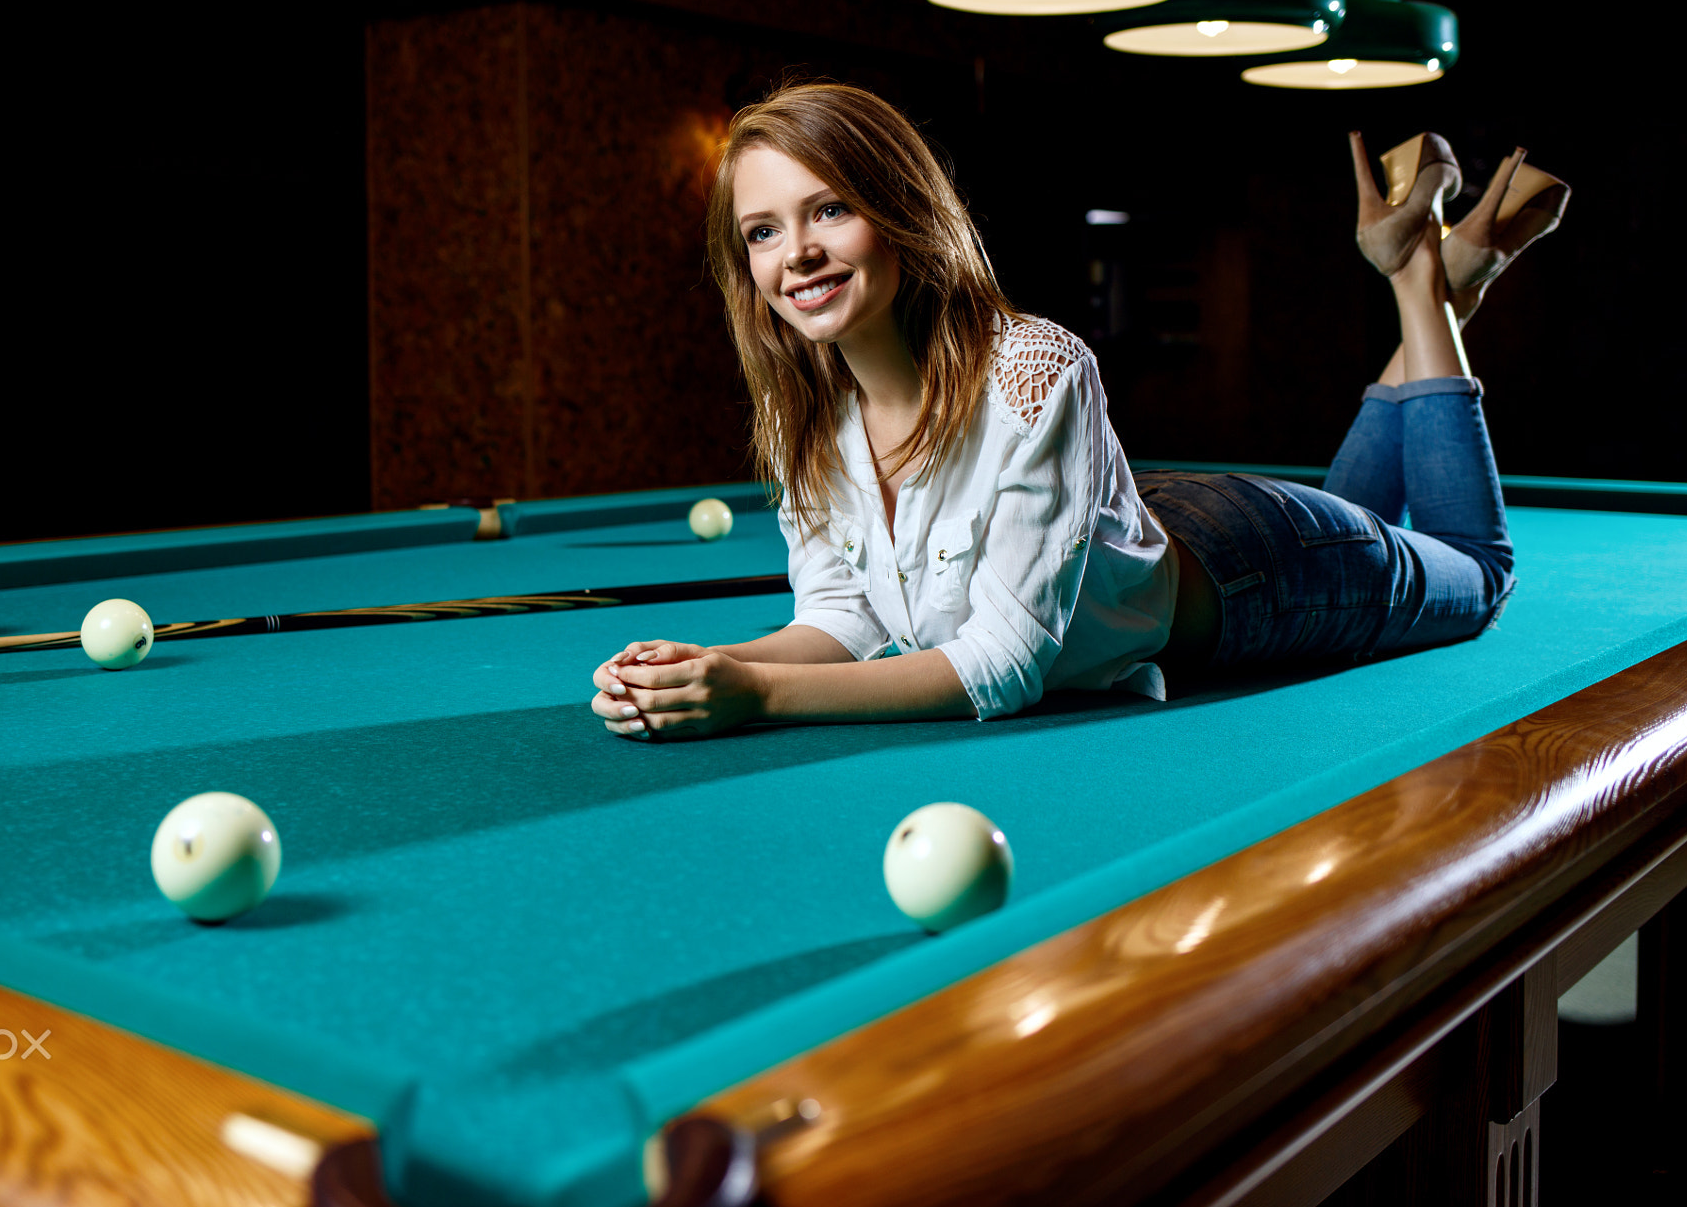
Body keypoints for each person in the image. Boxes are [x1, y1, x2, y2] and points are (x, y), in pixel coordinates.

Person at [588, 82, 1566, 741]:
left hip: (1255, 579)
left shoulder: (1033, 369)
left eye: (828, 210)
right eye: (763, 230)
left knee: (1473, 575)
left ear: (900, 213)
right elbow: (842, 619)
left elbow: (1004, 662)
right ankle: (1442, 292)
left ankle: (1418, 273)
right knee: (1367, 522)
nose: (794, 251)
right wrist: (706, 663)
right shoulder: (808, 420)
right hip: (1134, 540)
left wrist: (757, 694)